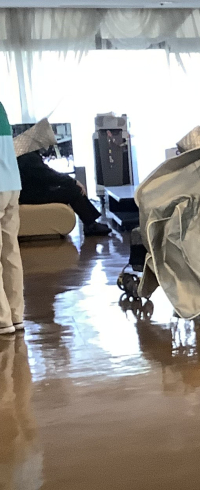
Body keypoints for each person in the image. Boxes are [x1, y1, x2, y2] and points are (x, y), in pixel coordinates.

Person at [16, 148, 110, 237]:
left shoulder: (27, 155)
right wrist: (72, 181)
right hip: (33, 195)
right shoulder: (28, 157)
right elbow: (48, 176)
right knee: (72, 191)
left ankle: (91, 223)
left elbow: (46, 174)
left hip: (32, 192)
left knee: (72, 188)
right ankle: (90, 225)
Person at [0, 100, 25, 337]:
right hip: (11, 185)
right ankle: (16, 316)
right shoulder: (1, 108)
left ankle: (2, 319)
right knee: (11, 253)